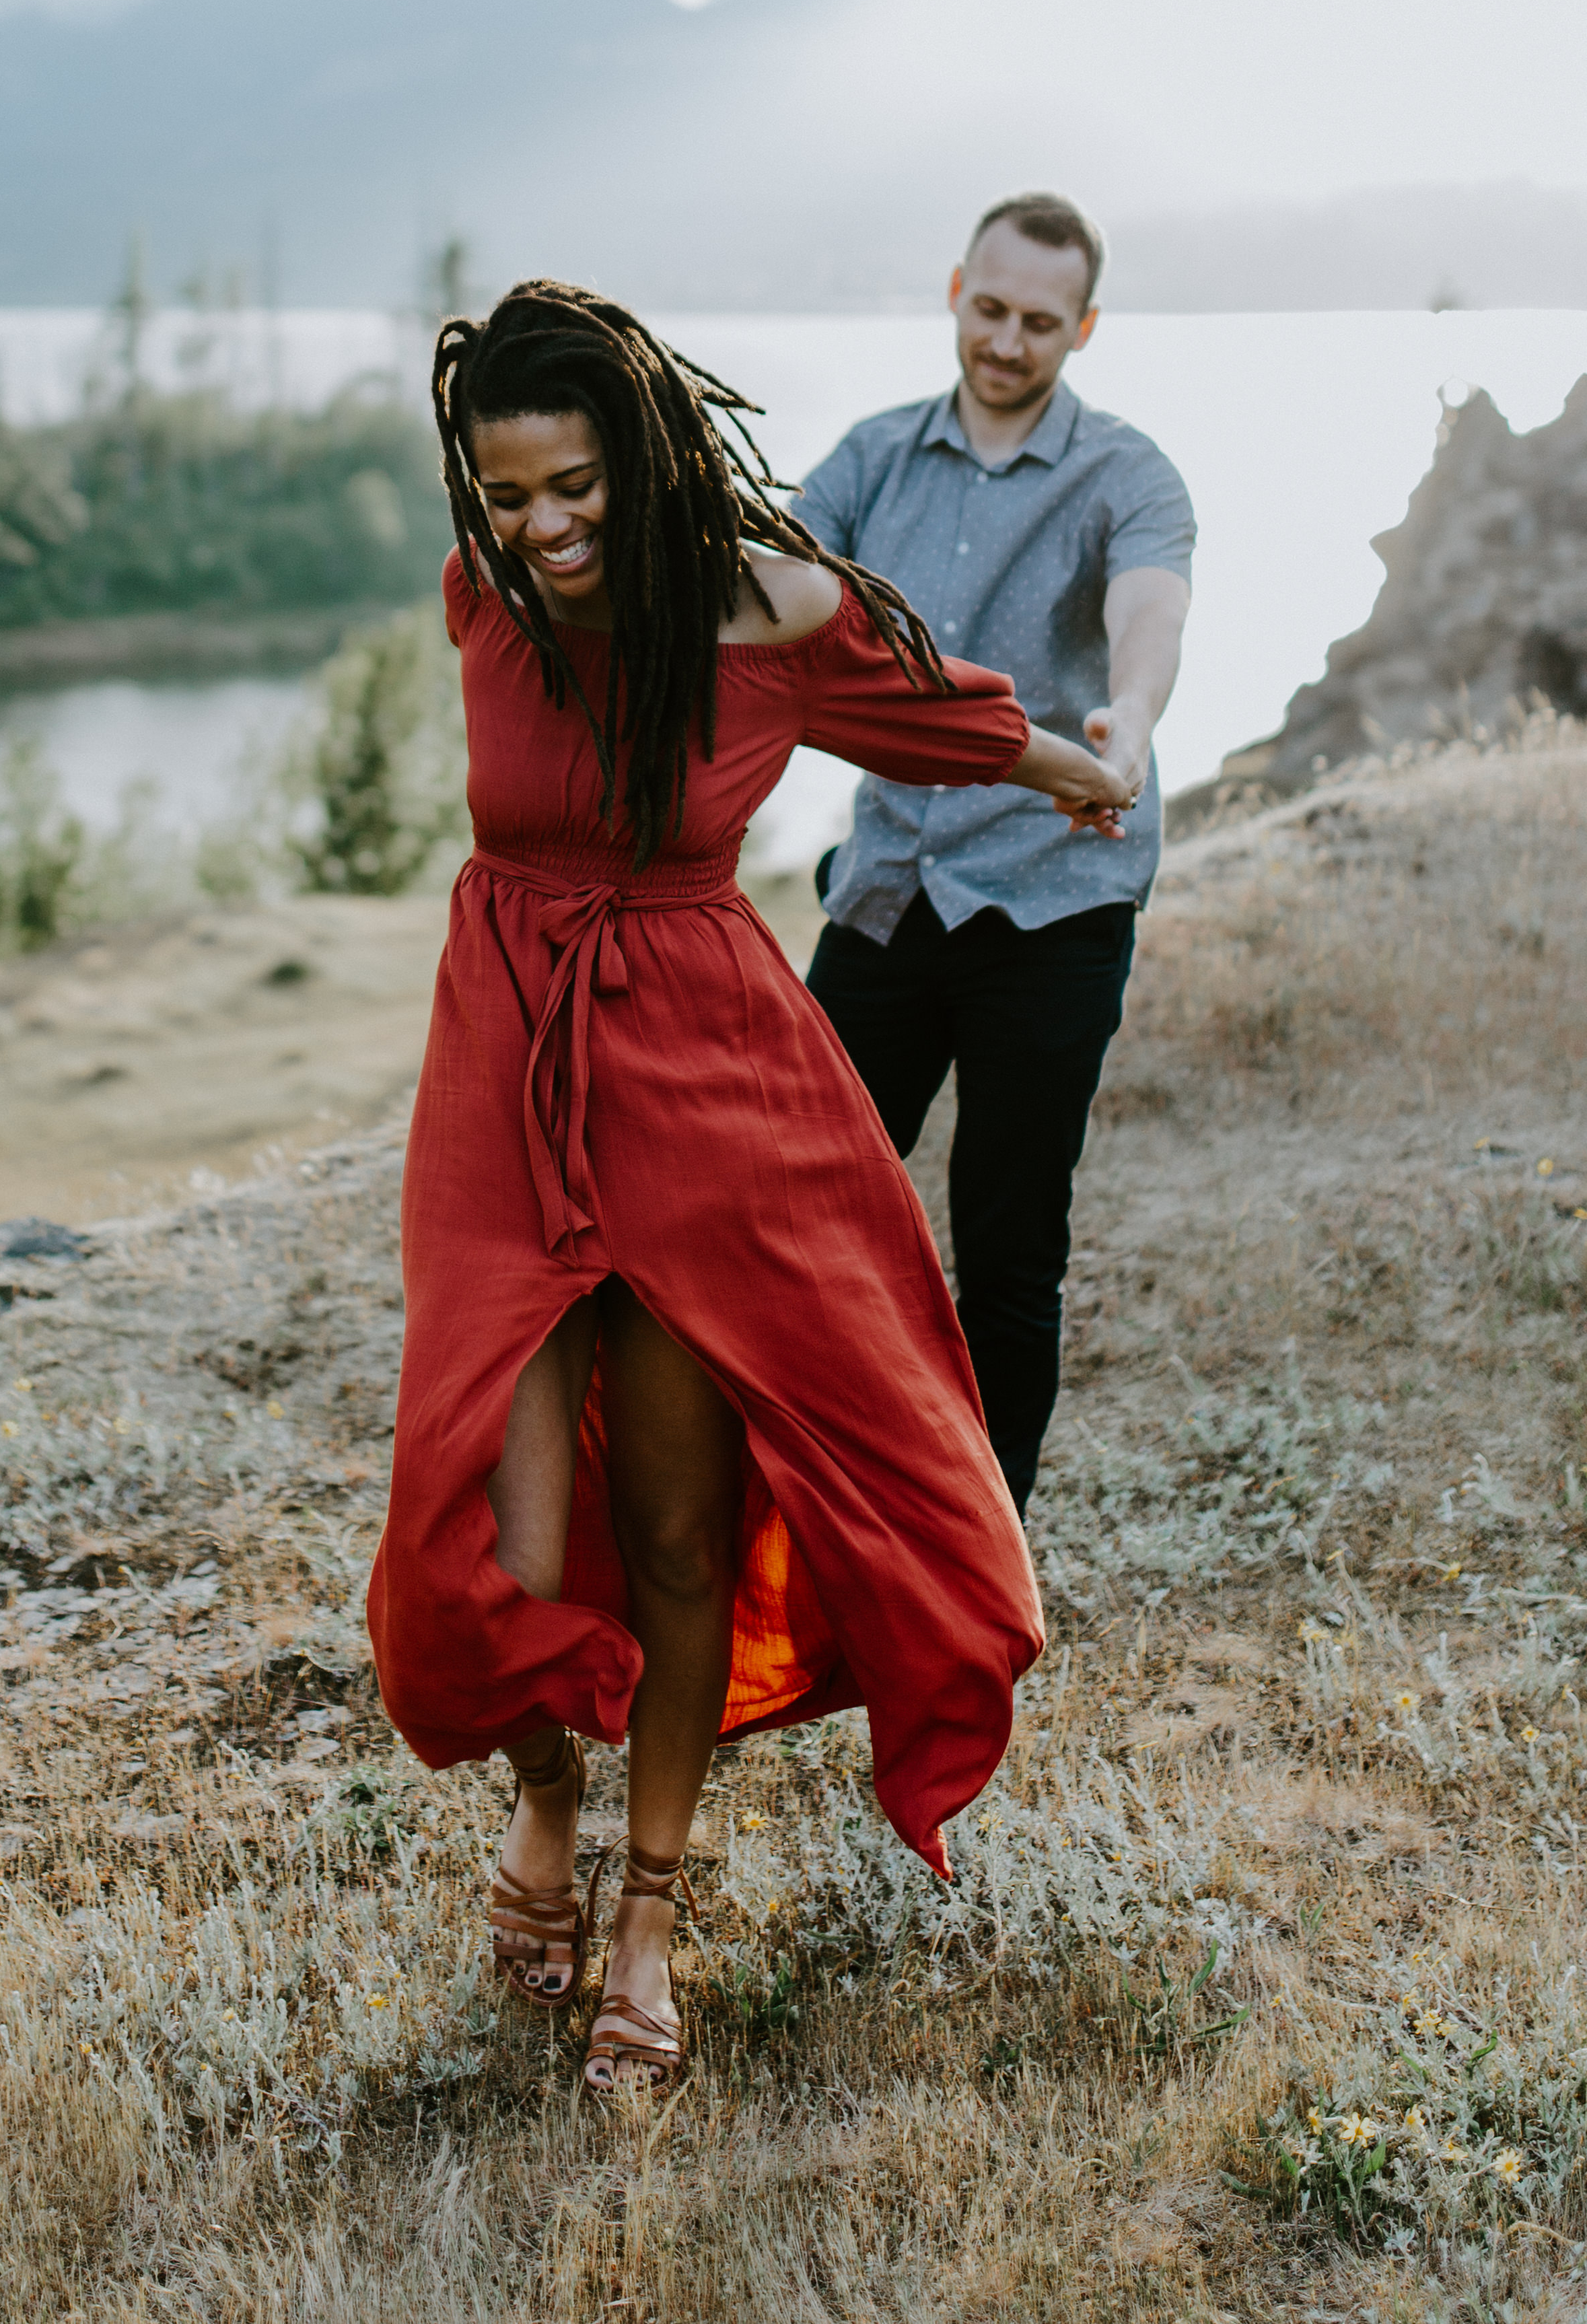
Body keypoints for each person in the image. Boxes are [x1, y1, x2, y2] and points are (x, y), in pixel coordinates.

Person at [364, 281, 1131, 2095]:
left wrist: (1073, 764)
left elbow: (926, 712)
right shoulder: (485, 601)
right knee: (492, 1531)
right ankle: (544, 1801)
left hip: (704, 1101)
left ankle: (648, 1906)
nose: (542, 528)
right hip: (505, 1087)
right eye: (508, 495)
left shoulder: (768, 611)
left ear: (636, 458)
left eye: (573, 488)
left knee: (695, 1532)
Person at [796, 190, 1195, 1518]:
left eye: (1040, 323)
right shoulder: (872, 461)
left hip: (1053, 897)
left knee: (1010, 1247)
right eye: (990, 310)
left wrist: (1126, 720)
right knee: (800, 1207)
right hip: (890, 893)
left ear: (1082, 326)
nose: (1008, 343)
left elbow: (1148, 619)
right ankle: (815, 1499)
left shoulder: (1126, 475)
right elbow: (769, 588)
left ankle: (988, 1546)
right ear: (956, 290)